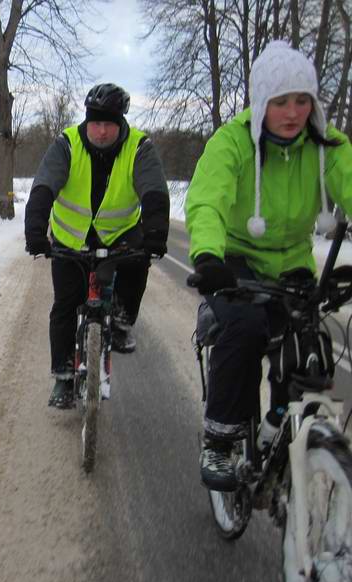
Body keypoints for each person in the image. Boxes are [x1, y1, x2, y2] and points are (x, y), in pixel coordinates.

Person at [186, 41, 352, 491]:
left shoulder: (327, 146)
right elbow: (207, 201)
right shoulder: (233, 142)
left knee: (308, 353)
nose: (293, 112)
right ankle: (220, 440)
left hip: (293, 264)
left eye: (303, 100)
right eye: (281, 101)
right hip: (236, 258)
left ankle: (282, 435)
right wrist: (207, 256)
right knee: (243, 329)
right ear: (261, 102)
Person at [24, 83, 171, 409]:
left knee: (138, 263)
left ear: (120, 124)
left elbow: (154, 190)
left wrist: (157, 233)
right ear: (86, 121)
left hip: (120, 235)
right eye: (95, 122)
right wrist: (35, 231)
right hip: (70, 237)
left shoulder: (139, 147)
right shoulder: (67, 144)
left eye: (109, 124)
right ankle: (63, 378)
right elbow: (44, 185)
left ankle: (120, 320)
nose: (101, 131)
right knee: (65, 304)